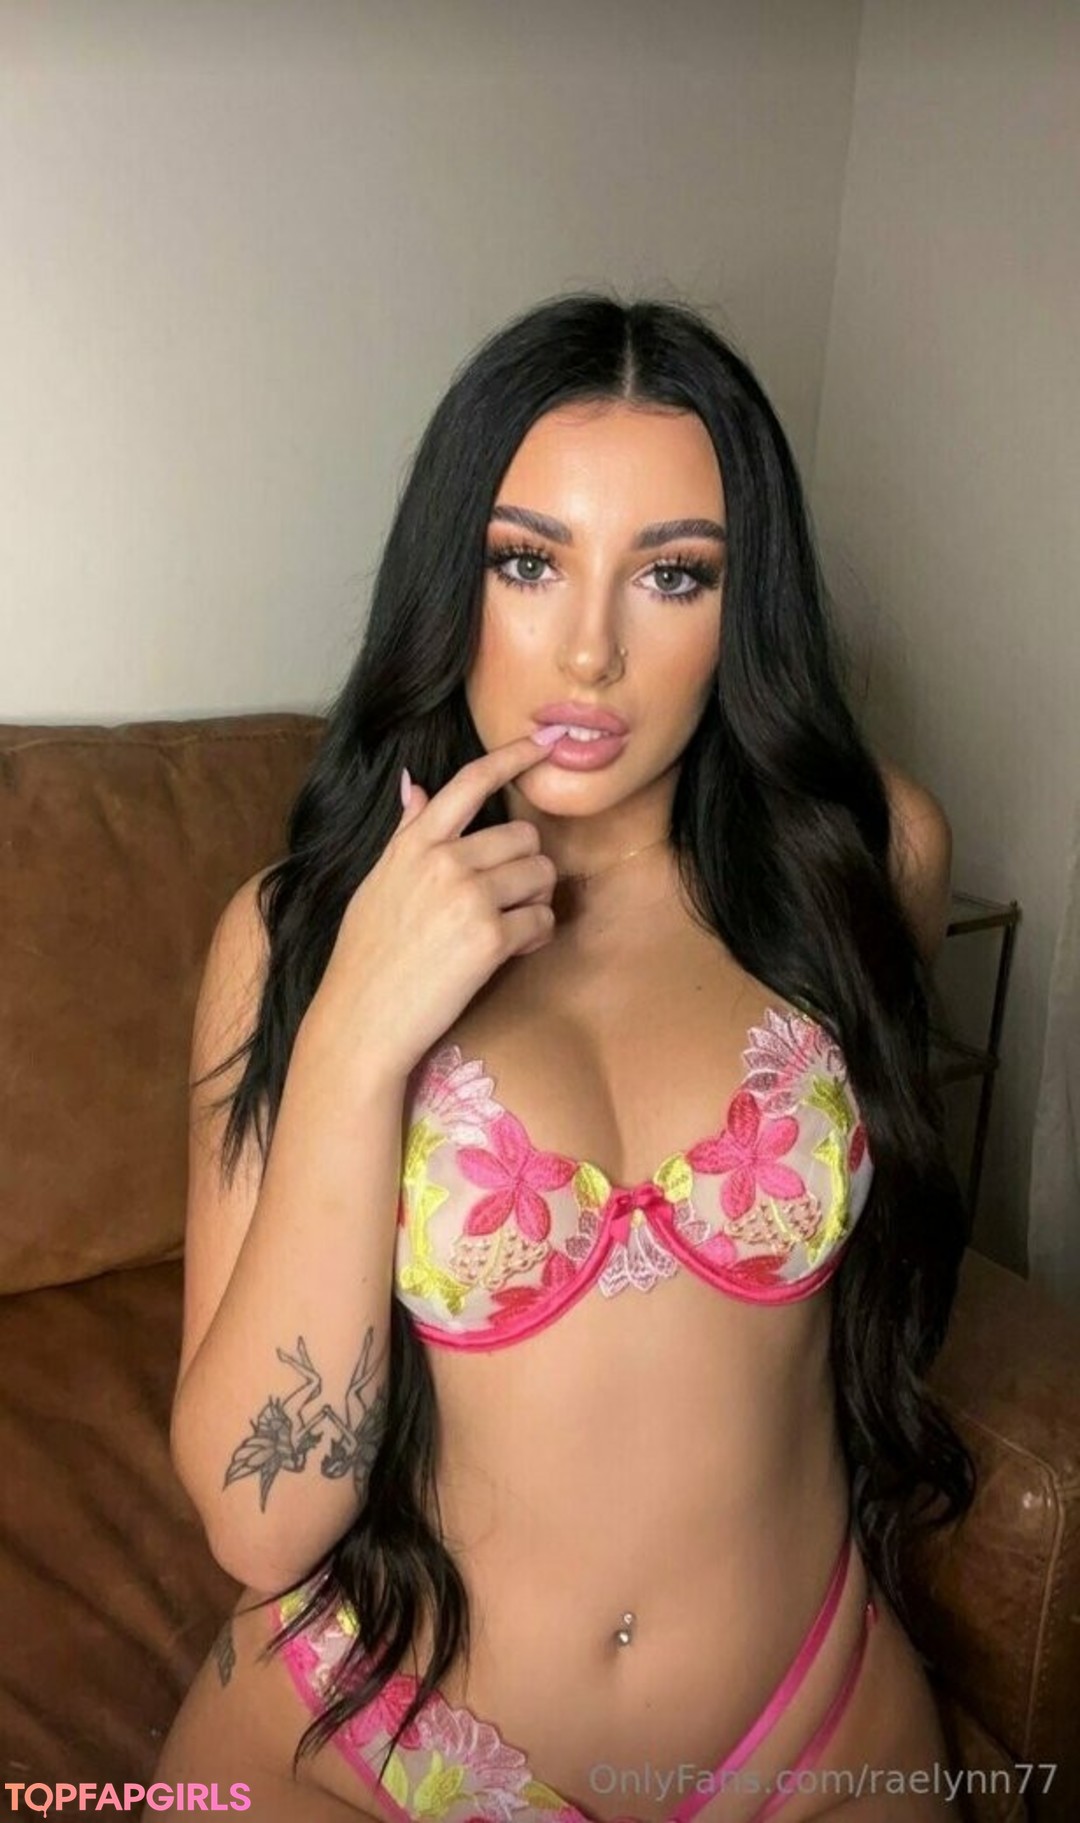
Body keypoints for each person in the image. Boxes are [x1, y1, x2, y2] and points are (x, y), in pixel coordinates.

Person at [146, 292, 976, 1823]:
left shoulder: (870, 863)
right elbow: (263, 1523)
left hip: (808, 1738)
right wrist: (356, 1040)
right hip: (376, 1746)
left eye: (672, 574)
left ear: (745, 605)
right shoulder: (296, 937)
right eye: (528, 563)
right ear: (450, 578)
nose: (590, 651)